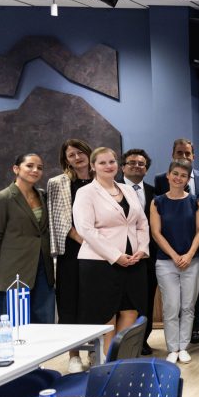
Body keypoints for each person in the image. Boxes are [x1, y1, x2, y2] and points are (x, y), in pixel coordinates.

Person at [74, 147, 150, 355]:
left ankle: (120, 360)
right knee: (106, 314)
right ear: (93, 166)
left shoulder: (127, 190)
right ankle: (107, 364)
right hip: (100, 263)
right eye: (102, 163)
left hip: (133, 261)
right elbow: (85, 229)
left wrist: (142, 249)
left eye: (112, 161)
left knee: (131, 310)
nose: (108, 166)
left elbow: (142, 223)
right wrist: (115, 256)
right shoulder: (86, 192)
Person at [0, 153, 56, 324]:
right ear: (16, 169)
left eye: (40, 168)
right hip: (14, 271)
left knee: (45, 325)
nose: (35, 170)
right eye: (30, 166)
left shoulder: (43, 196)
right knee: (16, 325)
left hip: (43, 269)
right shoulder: (3, 198)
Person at [150, 160, 199, 364]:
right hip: (166, 262)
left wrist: (189, 255)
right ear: (168, 175)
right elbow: (156, 233)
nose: (178, 178)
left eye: (183, 175)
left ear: (188, 179)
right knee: (171, 306)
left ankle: (183, 347)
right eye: (175, 174)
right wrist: (174, 255)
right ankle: (172, 348)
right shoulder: (157, 202)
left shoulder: (196, 201)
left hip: (192, 261)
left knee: (188, 306)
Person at [48, 138, 92, 371]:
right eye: (71, 155)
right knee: (69, 303)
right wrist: (81, 238)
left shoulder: (102, 178)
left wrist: (96, 242)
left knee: (95, 302)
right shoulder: (58, 183)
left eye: (80, 152)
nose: (77, 157)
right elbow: (58, 217)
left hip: (99, 251)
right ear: (65, 160)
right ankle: (74, 355)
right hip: (71, 251)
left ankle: (95, 351)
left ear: (88, 153)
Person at [122, 148, 157, 353]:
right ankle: (121, 343)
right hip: (121, 255)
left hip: (148, 256)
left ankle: (143, 340)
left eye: (141, 164)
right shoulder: (113, 189)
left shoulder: (154, 192)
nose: (136, 166)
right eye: (132, 163)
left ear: (146, 169)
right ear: (123, 167)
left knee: (146, 299)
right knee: (123, 301)